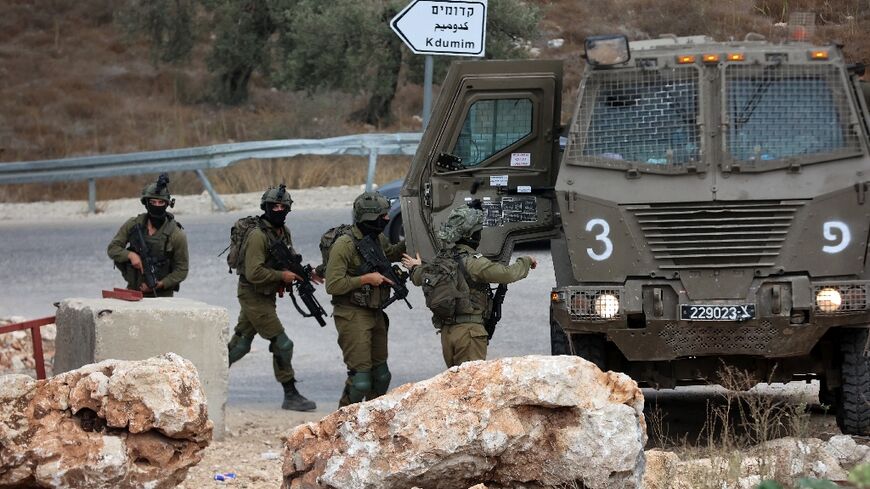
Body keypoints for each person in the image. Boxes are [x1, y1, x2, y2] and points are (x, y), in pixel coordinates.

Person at [402, 204, 537, 368]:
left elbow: (419, 278)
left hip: (447, 334)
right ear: (471, 235)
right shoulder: (473, 262)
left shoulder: (441, 259)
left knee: (455, 385)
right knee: (471, 389)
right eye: (478, 231)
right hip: (469, 335)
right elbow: (508, 274)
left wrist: (416, 266)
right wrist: (526, 261)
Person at [226, 185, 319, 412]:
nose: (278, 210)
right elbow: (253, 272)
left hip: (265, 296)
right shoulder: (258, 236)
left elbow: (288, 259)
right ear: (265, 207)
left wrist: (306, 273)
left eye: (282, 206)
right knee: (283, 343)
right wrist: (282, 276)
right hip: (253, 295)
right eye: (273, 206)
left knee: (240, 345)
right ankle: (290, 394)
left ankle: (202, 379)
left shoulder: (283, 232)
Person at [325, 191, 406, 407]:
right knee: (360, 381)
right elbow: (333, 284)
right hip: (352, 314)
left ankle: (370, 422)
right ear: (369, 218)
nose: (387, 219)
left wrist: (413, 241)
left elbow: (390, 253)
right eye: (382, 216)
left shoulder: (377, 238)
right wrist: (366, 279)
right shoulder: (345, 244)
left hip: (376, 312)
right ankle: (340, 426)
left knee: (381, 376)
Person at [107, 173, 189, 297]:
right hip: (133, 292)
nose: (156, 206)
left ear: (167, 204)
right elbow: (112, 249)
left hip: (162, 296)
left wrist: (160, 284)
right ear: (146, 203)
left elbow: (182, 270)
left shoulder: (176, 234)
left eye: (160, 202)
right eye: (153, 202)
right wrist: (131, 255)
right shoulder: (133, 224)